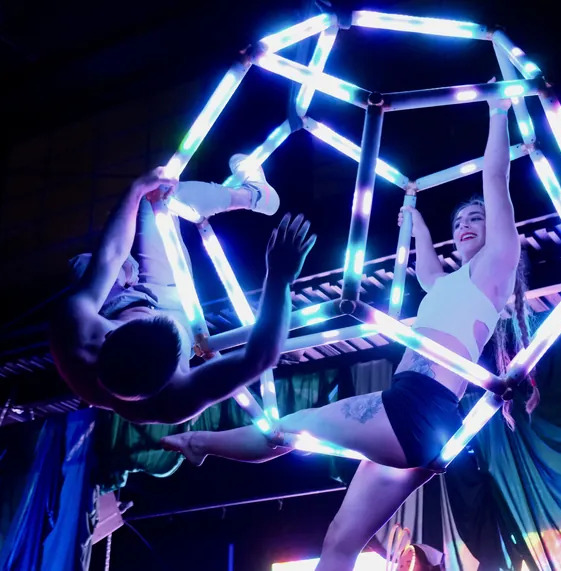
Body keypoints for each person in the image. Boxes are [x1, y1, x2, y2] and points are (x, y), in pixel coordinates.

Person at [160, 83, 539, 570]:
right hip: (420, 425)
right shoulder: (448, 282)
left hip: (414, 407)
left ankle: (198, 444)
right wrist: (417, 222)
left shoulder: (498, 265)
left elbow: (496, 177)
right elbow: (426, 271)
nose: (466, 223)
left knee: (284, 430)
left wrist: (497, 112)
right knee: (341, 539)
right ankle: (198, 446)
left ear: (497, 229)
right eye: (460, 219)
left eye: (477, 218)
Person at [49, 154, 317, 425]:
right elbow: (259, 358)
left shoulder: (75, 332)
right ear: (173, 371)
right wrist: (279, 278)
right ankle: (257, 195)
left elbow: (111, 255)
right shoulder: (176, 402)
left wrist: (137, 188)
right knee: (166, 200)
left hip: (123, 301)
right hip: (168, 295)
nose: (148, 315)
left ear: (107, 337)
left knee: (89, 260)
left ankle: (252, 197)